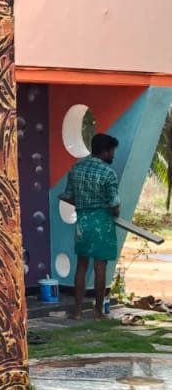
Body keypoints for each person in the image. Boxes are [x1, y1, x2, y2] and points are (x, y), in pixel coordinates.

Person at [61, 133, 120, 320]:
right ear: (105, 151)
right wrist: (115, 213)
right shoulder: (108, 173)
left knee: (81, 264)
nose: (113, 155)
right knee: (100, 267)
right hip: (102, 222)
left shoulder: (76, 169)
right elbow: (114, 203)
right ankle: (98, 312)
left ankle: (77, 311)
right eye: (112, 151)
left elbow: (68, 196)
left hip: (83, 222)